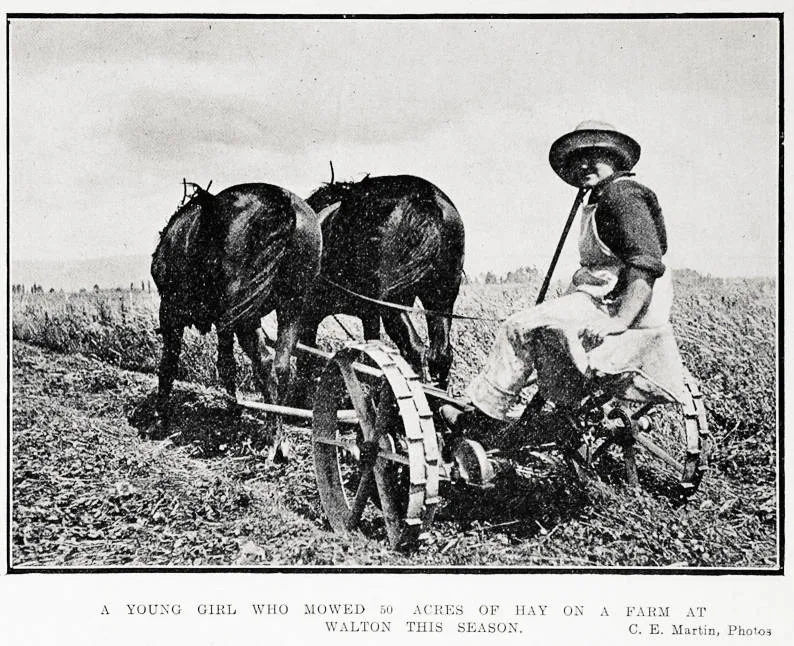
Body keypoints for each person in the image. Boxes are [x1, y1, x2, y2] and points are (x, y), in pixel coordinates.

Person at [442, 120, 688, 443]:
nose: (584, 164)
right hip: (603, 298)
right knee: (541, 325)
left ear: (614, 158)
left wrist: (619, 320)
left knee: (516, 327)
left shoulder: (622, 195)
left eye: (594, 155)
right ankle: (559, 405)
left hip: (613, 304)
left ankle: (485, 418)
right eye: (577, 159)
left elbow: (645, 267)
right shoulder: (602, 197)